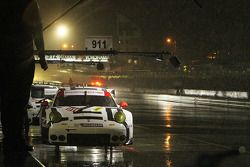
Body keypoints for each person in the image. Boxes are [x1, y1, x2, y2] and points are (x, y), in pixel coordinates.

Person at [0, 0, 47, 165]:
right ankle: (15, 140)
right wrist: (42, 56)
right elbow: (38, 30)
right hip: (22, 60)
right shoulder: (30, 3)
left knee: (5, 101)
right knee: (18, 101)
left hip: (4, 59)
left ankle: (10, 139)